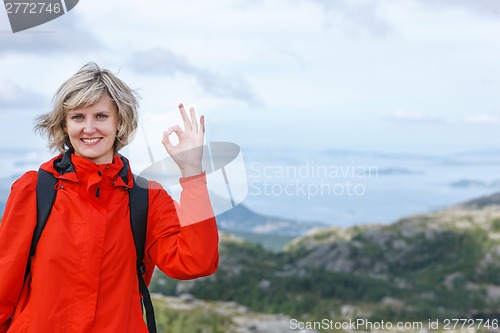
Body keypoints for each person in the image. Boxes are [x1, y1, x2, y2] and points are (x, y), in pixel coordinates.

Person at [0, 62, 219, 332]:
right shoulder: (34, 190)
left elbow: (196, 262)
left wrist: (192, 173)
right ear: (64, 125)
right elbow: (4, 283)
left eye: (101, 116)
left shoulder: (147, 198)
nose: (89, 128)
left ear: (120, 123)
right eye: (78, 117)